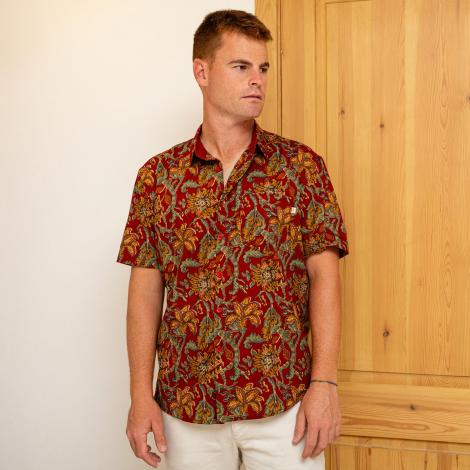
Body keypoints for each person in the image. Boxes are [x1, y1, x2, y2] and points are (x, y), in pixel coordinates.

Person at [116, 9, 349, 470]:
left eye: (263, 68)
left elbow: (325, 278)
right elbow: (145, 292)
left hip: (285, 407)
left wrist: (324, 384)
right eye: (241, 67)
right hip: (186, 409)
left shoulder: (301, 168)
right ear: (201, 72)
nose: (257, 80)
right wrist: (140, 395)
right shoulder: (158, 178)